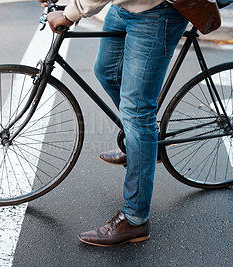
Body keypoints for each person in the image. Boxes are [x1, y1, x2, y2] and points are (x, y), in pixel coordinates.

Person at [39, 0, 188, 247]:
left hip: (158, 10)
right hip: (125, 6)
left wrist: (70, 14)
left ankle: (135, 219)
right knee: (106, 71)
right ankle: (145, 146)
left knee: (137, 112)